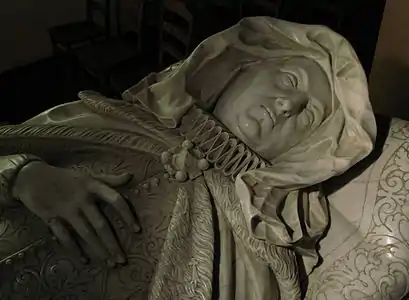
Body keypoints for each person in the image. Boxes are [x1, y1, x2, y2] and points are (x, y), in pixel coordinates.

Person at [0, 17, 375, 300]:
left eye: (309, 117)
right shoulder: (108, 119)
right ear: (240, 70)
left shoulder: (259, 258)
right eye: (289, 81)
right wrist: (21, 175)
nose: (289, 105)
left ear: (303, 153)